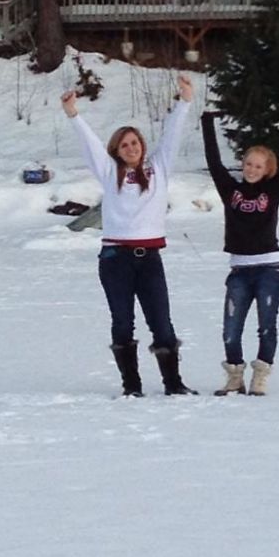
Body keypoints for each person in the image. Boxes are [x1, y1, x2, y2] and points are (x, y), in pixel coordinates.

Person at [61, 77, 197, 397]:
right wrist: (72, 114)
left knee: (161, 322)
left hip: (149, 260)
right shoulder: (110, 174)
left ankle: (173, 383)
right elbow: (90, 145)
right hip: (115, 259)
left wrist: (185, 101)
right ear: (116, 151)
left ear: (142, 146)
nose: (131, 148)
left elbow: (172, 135)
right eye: (124, 145)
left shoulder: (158, 170)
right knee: (122, 322)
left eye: (135, 142)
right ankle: (131, 386)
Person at [201, 111, 279, 396]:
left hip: (270, 270)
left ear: (267, 169)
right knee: (230, 330)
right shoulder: (230, 190)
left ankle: (260, 376)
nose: (251, 169)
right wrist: (207, 122)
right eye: (248, 164)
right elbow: (213, 162)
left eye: (258, 166)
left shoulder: (273, 189)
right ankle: (235, 376)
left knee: (266, 326)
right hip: (239, 271)